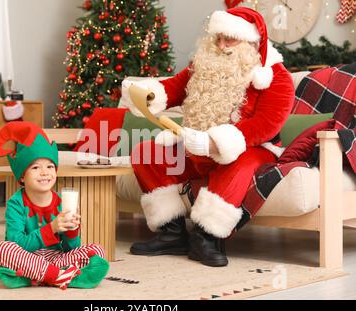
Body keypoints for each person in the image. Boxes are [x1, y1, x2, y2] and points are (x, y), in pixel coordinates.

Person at [121, 7, 295, 267]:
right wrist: (147, 94)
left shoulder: (276, 77)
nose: (222, 45)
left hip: (251, 147)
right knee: (148, 153)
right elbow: (174, 88)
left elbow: (266, 125)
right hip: (195, 146)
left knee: (239, 160)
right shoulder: (203, 64)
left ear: (251, 42)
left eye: (230, 39)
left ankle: (207, 238)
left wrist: (216, 142)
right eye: (218, 38)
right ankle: (172, 233)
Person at [0, 121, 109, 289]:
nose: (45, 172)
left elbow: (70, 249)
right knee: (2, 249)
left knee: (97, 250)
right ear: (22, 176)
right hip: (27, 257)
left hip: (57, 259)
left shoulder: (61, 201)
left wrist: (72, 231)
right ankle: (62, 277)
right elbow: (17, 244)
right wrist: (51, 228)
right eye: (36, 167)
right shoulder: (16, 203)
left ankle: (35, 277)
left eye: (50, 166)